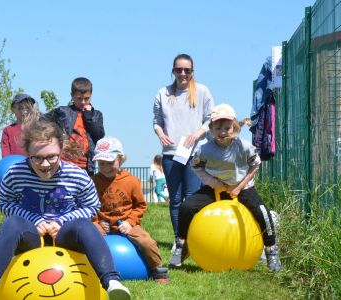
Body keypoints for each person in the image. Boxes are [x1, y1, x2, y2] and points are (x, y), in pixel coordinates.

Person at [0, 117, 130, 300]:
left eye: (51, 156)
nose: (45, 164)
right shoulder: (14, 173)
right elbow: (4, 203)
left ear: (61, 150)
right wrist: (36, 221)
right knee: (12, 223)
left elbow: (92, 206)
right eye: (37, 158)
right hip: (31, 235)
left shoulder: (77, 175)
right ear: (27, 153)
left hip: (65, 234)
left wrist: (60, 221)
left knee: (84, 225)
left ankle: (112, 282)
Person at [169, 104, 283, 272]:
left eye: (227, 127)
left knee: (263, 213)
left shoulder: (244, 147)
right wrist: (215, 184)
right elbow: (196, 166)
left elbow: (255, 166)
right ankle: (181, 245)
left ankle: (271, 251)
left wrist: (239, 186)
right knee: (186, 207)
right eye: (218, 127)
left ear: (235, 127)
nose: (222, 132)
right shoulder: (204, 149)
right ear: (211, 129)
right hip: (215, 188)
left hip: (242, 188)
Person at [152, 54, 214, 245]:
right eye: (179, 69)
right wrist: (160, 134)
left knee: (192, 199)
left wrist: (197, 134)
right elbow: (156, 121)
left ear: (192, 72)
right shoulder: (163, 93)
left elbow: (210, 119)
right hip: (171, 154)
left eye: (187, 70)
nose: (183, 73)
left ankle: (194, 239)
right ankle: (179, 240)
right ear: (173, 71)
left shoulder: (202, 91)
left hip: (195, 153)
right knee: (176, 200)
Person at [92, 137, 170, 284]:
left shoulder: (131, 181)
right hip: (102, 223)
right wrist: (98, 221)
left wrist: (130, 222)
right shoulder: (93, 182)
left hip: (126, 223)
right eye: (102, 163)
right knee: (89, 238)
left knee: (146, 241)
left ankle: (158, 269)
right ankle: (89, 269)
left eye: (111, 163)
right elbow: (90, 207)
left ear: (120, 159)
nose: (106, 167)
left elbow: (140, 205)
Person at [46, 77, 104, 175]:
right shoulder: (63, 112)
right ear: (72, 96)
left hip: (85, 166)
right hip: (63, 164)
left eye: (86, 98)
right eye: (79, 98)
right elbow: (42, 120)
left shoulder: (96, 115)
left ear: (91, 96)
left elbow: (99, 135)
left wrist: (88, 117)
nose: (82, 102)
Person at [1, 93, 37, 157]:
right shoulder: (7, 130)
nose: (24, 111)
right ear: (13, 109)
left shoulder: (38, 128)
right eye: (20, 108)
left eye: (28, 108)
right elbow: (5, 156)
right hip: (15, 165)